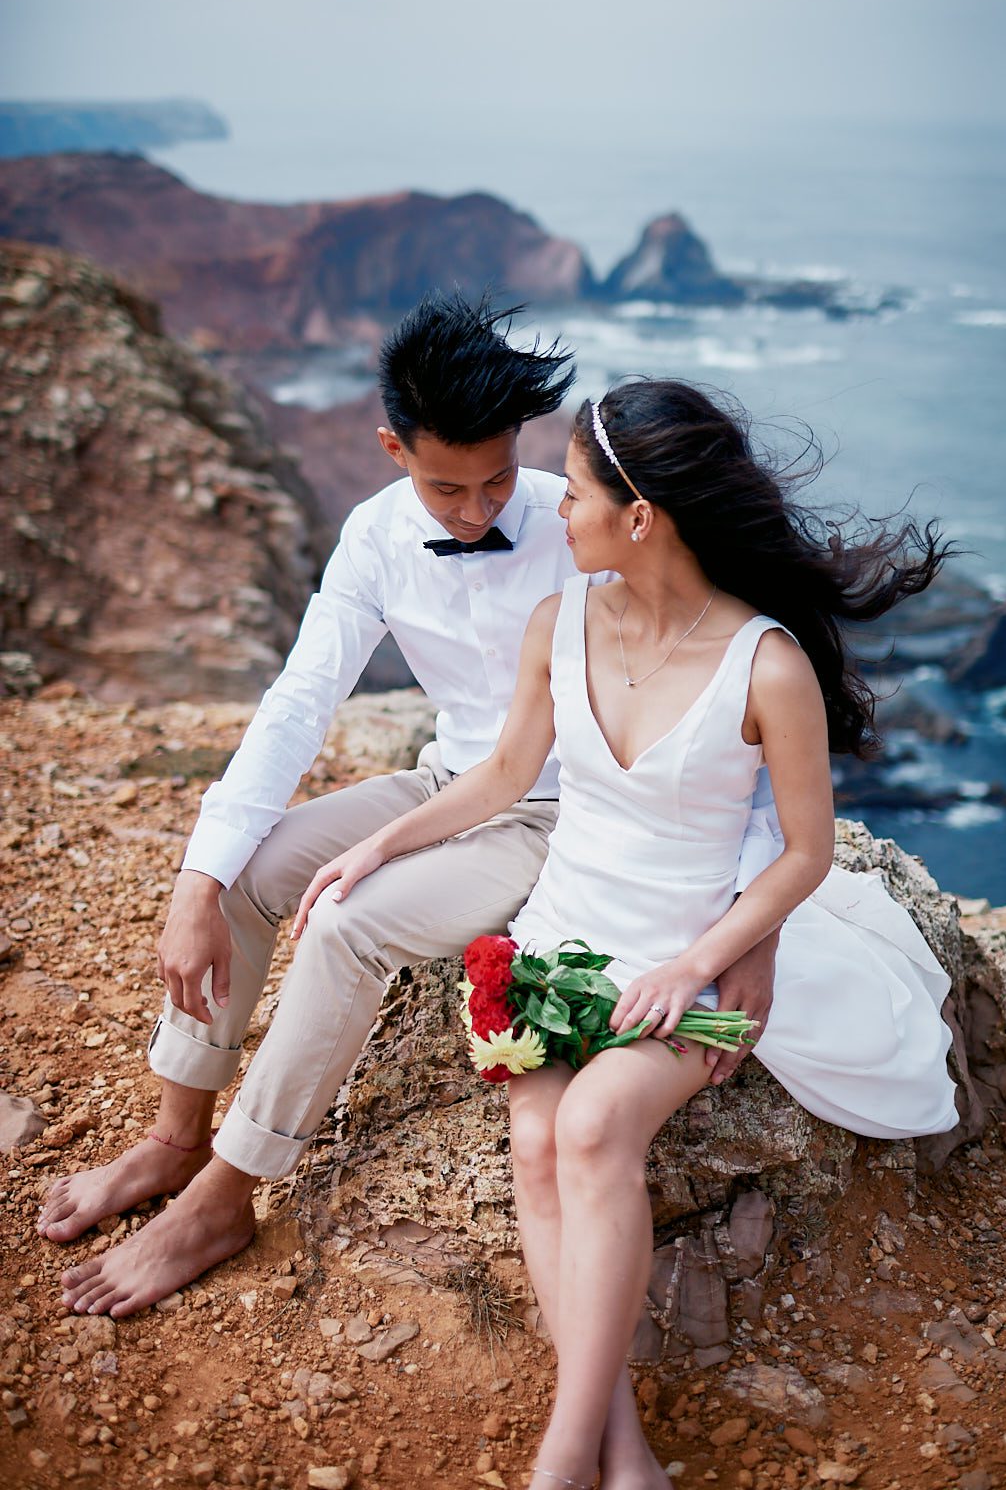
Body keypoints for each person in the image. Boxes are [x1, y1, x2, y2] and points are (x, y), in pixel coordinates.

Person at [40, 301, 781, 1324]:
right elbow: (301, 702)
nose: (478, 509)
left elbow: (732, 720)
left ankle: (226, 1192)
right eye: (445, 486)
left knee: (346, 927)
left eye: (494, 479)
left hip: (565, 816)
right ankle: (176, 1134)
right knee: (251, 878)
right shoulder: (375, 536)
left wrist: (755, 912)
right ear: (391, 448)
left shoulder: (590, 527)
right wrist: (193, 880)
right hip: (448, 785)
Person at [284, 380, 959, 1490]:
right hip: (555, 939)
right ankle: (623, 1447)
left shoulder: (766, 664)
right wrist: (377, 847)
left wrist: (704, 959)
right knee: (536, 1142)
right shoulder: (560, 621)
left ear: (638, 517)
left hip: (679, 961)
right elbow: (505, 775)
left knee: (594, 1127)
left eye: (578, 493)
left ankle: (564, 1452)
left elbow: (802, 851)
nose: (556, 512)